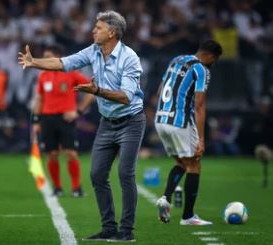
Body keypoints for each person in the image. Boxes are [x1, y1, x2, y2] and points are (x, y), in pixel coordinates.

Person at [19, 10, 145, 242]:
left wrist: (96, 91)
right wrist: (34, 62)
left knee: (125, 174)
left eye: (98, 28)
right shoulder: (94, 51)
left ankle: (126, 232)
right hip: (107, 123)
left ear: (112, 32)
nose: (93, 30)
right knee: (97, 175)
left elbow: (127, 97)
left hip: (130, 122)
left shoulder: (130, 58)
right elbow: (62, 62)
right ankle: (109, 228)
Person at [154, 40, 222, 225]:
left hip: (161, 119)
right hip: (180, 121)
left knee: (183, 163)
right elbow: (199, 105)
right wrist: (201, 138)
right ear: (210, 56)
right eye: (213, 60)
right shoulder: (202, 70)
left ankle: (165, 199)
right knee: (194, 165)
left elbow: (160, 90)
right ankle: (188, 216)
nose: (212, 64)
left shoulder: (177, 60)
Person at [32, 44, 94, 197]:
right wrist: (36, 121)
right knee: (51, 154)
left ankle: (76, 188)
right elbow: (39, 99)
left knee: (71, 153)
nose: (45, 61)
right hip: (47, 119)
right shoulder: (43, 76)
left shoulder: (71, 73)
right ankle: (57, 188)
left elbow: (91, 91)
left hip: (66, 119)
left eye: (48, 58)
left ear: (57, 58)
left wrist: (78, 111)